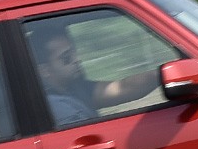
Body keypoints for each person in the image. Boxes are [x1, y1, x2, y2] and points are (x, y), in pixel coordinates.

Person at [27, 21, 158, 126]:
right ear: (44, 70)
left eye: (74, 52)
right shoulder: (57, 107)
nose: (76, 59)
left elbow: (124, 87)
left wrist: (161, 74)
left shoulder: (75, 87)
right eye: (66, 57)